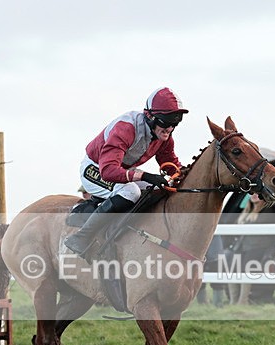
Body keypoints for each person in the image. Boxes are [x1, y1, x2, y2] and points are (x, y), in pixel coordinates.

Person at [64, 87, 188, 256]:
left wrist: (185, 174)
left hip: (121, 169)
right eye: (166, 122)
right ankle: (81, 237)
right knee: (131, 192)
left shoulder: (164, 137)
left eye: (175, 123)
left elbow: (169, 162)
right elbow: (108, 171)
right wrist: (145, 176)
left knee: (159, 189)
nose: (170, 128)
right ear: (150, 117)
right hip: (96, 168)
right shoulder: (126, 128)